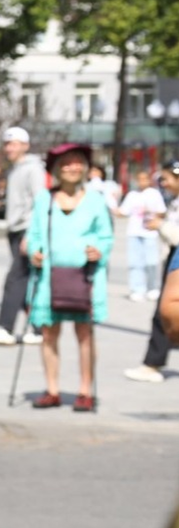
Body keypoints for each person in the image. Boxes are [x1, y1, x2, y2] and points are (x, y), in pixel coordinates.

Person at [25, 142, 113, 412]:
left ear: (85, 168)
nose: (73, 167)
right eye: (67, 162)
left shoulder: (96, 200)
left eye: (78, 162)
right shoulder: (44, 199)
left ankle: (85, 390)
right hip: (49, 278)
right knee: (49, 333)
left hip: (84, 277)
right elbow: (35, 235)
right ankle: (52, 388)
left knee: (84, 333)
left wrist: (99, 250)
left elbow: (106, 235)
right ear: (56, 169)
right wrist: (34, 252)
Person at [0, 126, 45, 346]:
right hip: (15, 229)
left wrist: (32, 234)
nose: (8, 148)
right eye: (6, 144)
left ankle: (6, 327)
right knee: (27, 281)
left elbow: (40, 201)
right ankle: (39, 328)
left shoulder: (34, 169)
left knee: (16, 278)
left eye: (13, 143)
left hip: (27, 229)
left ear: (25, 145)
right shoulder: (14, 169)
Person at [126, 160, 179, 384]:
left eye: (165, 179)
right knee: (162, 314)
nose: (163, 183)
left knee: (164, 312)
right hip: (172, 255)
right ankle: (152, 363)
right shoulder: (174, 202)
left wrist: (160, 226)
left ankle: (152, 363)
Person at [118, 169, 165, 302]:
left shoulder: (154, 194)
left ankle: (152, 288)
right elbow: (122, 212)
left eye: (145, 179)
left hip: (149, 232)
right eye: (140, 179)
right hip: (134, 232)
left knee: (151, 262)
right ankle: (137, 289)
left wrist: (151, 213)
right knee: (135, 263)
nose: (142, 182)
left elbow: (162, 212)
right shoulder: (132, 195)